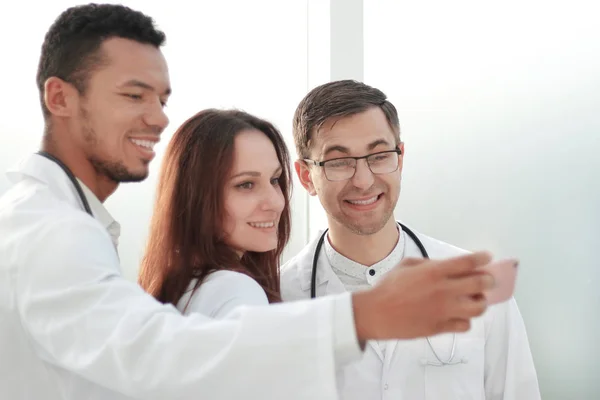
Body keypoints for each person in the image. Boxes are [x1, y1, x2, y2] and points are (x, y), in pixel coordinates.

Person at [0, 4, 496, 400]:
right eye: (133, 96)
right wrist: (363, 316)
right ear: (60, 98)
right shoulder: (56, 231)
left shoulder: (63, 226)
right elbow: (159, 353)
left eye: (161, 99)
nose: (155, 118)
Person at [281, 79, 542, 399]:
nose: (363, 181)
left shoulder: (476, 285)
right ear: (307, 176)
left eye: (378, 156)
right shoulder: (277, 299)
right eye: (339, 162)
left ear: (400, 158)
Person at [138, 109, 291, 317]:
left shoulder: (179, 288)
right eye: (246, 185)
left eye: (274, 180)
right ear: (196, 196)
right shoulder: (237, 292)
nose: (275, 202)